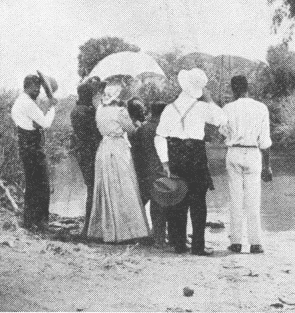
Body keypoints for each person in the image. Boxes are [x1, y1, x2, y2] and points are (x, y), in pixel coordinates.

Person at [155, 68, 226, 256]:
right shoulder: (202, 107)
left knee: (178, 199)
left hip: (175, 154)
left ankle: (179, 244)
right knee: (198, 203)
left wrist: (165, 162)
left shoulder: (169, 109)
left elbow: (159, 136)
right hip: (195, 154)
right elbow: (221, 119)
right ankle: (198, 247)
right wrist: (209, 99)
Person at [87, 83, 150, 242]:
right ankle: (128, 231)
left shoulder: (100, 110)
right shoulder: (120, 111)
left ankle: (106, 229)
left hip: (104, 148)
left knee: (107, 186)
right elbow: (131, 130)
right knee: (124, 186)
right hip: (118, 148)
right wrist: (136, 123)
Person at [220, 75, 272, 254]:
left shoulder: (227, 108)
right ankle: (255, 243)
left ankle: (236, 242)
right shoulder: (261, 108)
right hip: (253, 153)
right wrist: (268, 166)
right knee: (253, 199)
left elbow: (223, 134)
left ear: (233, 89)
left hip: (234, 152)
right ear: (247, 88)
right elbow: (265, 141)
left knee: (235, 198)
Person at [11, 73, 58, 231]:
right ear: (28, 86)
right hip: (33, 148)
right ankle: (41, 222)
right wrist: (52, 107)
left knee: (32, 185)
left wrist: (36, 123)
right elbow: (44, 123)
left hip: (26, 146)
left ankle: (30, 221)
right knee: (43, 184)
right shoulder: (28, 104)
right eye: (36, 88)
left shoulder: (20, 101)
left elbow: (32, 123)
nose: (38, 91)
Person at [131, 102, 172, 247]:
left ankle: (143, 234)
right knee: (161, 205)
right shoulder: (165, 129)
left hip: (144, 171)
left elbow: (135, 152)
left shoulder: (142, 129)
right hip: (160, 170)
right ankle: (160, 238)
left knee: (144, 203)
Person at [70, 78, 106, 236]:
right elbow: (97, 131)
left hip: (82, 152)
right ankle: (89, 227)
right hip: (89, 152)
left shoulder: (77, 109)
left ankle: (90, 226)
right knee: (93, 188)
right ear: (87, 95)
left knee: (91, 187)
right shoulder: (87, 111)